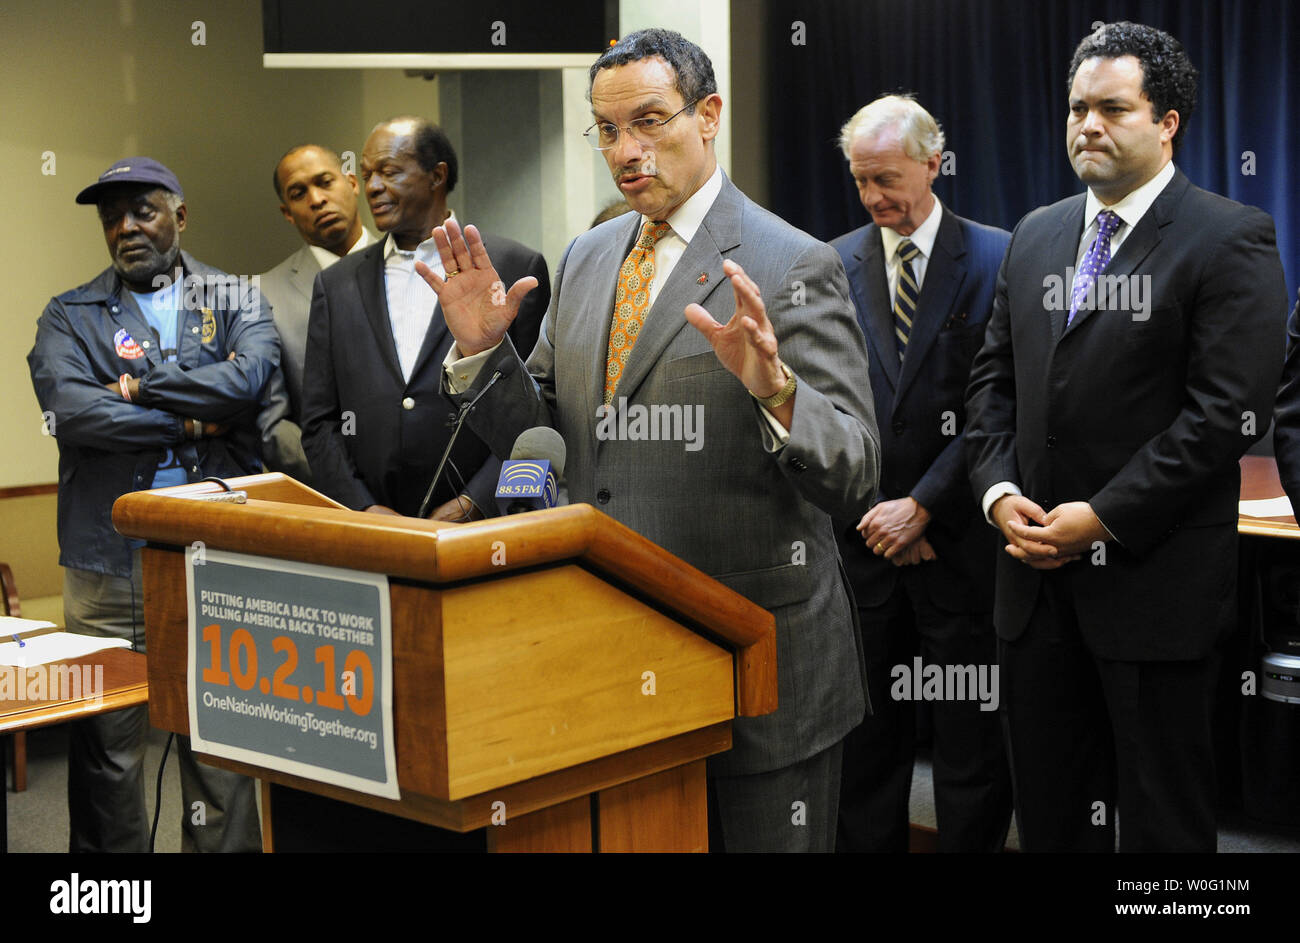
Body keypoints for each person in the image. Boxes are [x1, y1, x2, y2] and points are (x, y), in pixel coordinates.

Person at [426, 28, 880, 852]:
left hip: (754, 672)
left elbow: (855, 473)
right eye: (606, 130)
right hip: (613, 663)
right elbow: (544, 435)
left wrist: (778, 391)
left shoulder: (791, 263)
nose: (625, 150)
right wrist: (484, 353)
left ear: (708, 116)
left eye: (648, 121)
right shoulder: (591, 254)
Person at [964, 22, 1288, 852]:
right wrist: (999, 494)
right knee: (1049, 815)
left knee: (1161, 827)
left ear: (1168, 120)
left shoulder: (1229, 236)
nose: (1087, 126)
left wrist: (1100, 518)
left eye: (1113, 108)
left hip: (1155, 588)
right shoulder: (1035, 233)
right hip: (1030, 587)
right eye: (1077, 108)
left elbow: (1226, 414)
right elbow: (990, 384)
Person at [28, 157, 271, 852]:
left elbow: (249, 384)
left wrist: (138, 387)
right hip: (109, 564)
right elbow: (74, 415)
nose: (126, 227)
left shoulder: (236, 300)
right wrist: (196, 418)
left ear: (180, 216)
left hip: (219, 555)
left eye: (143, 210)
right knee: (109, 750)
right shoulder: (68, 314)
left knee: (223, 738)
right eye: (112, 216)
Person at [829, 94, 1011, 853]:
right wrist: (880, 511)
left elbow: (1001, 404)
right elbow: (820, 402)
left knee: (972, 751)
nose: (874, 197)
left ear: (934, 165)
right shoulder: (830, 264)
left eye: (887, 178)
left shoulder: (1001, 256)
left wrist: (924, 507)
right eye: (860, 181)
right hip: (865, 549)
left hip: (962, 549)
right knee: (867, 751)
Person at [301, 117, 550, 519]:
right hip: (370, 526)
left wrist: (476, 502)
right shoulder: (335, 284)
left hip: (480, 527)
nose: (372, 187)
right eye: (366, 175)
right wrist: (361, 506)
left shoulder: (514, 265)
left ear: (437, 175)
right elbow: (318, 420)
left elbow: (538, 409)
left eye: (389, 171)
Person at [259, 145, 376, 484]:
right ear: (288, 212)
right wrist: (352, 489)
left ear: (352, 182)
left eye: (325, 182)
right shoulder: (263, 296)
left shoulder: (416, 269)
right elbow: (273, 424)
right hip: (331, 500)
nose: (316, 199)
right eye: (299, 193)